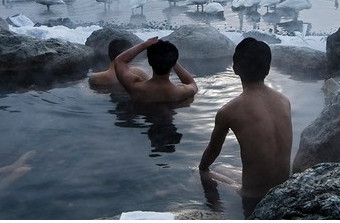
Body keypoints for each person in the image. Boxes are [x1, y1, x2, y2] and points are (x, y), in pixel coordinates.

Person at [198, 37, 292, 216]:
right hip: (282, 191)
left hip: (252, 197)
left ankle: (216, 211)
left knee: (200, 172)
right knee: (223, 168)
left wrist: (201, 169)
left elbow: (211, 154)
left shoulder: (229, 111)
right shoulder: (284, 101)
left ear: (235, 68)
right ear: (268, 69)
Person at [114, 36, 198, 103]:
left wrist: (144, 45)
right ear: (172, 63)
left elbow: (119, 61)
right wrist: (173, 61)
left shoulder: (135, 88)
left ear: (149, 62)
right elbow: (191, 83)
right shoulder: (181, 92)